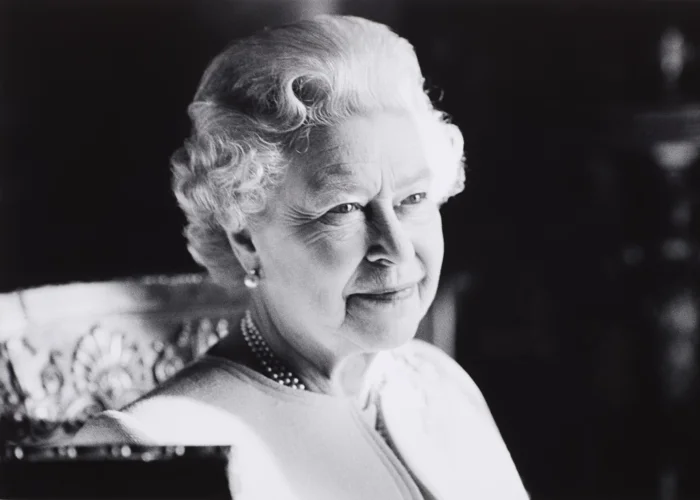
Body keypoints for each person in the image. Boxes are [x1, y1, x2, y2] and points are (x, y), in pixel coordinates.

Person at [72, 14, 529, 500]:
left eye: (412, 200)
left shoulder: (438, 382)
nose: (395, 248)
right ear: (244, 239)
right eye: (345, 208)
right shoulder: (158, 447)